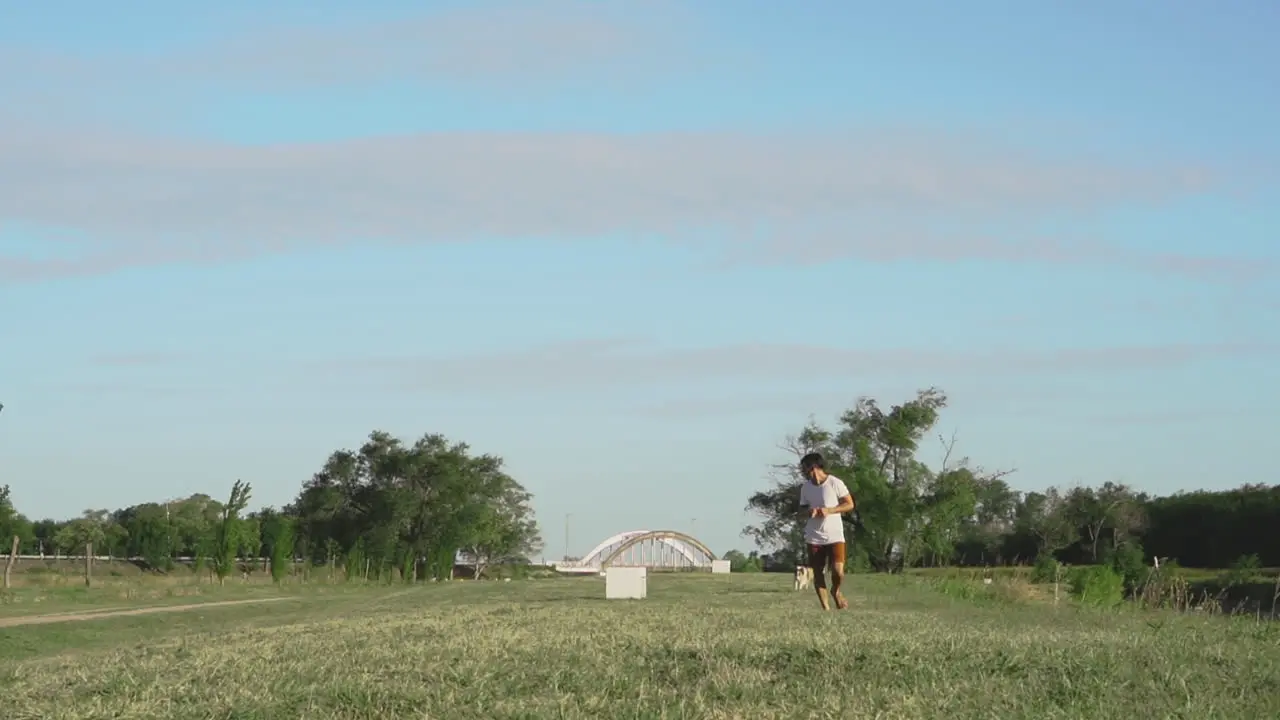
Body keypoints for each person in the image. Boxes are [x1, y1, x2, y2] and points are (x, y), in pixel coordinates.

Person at [797, 451, 855, 610]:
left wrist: (830, 510)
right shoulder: (805, 488)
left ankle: (835, 591)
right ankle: (826, 609)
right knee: (818, 573)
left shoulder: (835, 483)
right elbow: (801, 511)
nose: (803, 471)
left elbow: (849, 504)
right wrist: (809, 512)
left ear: (814, 466)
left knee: (838, 571)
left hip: (835, 535)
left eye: (805, 467)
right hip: (814, 536)